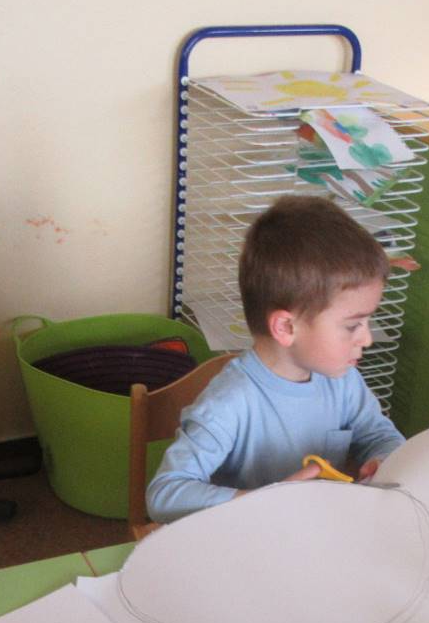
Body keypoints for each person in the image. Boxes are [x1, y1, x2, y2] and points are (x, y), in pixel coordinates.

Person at [146, 195, 405, 523]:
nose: (366, 339)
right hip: (246, 540)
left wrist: (384, 458)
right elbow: (164, 495)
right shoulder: (230, 402)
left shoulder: (343, 380)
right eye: (353, 325)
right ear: (286, 327)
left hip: (318, 531)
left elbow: (380, 435)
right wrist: (264, 501)